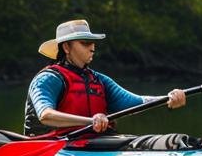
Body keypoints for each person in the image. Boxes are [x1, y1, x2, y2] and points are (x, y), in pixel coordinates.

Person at [24, 19, 187, 139]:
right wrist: (90, 121)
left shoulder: (99, 80)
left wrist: (168, 98)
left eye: (93, 43)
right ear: (66, 47)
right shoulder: (48, 78)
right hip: (56, 146)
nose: (93, 48)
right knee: (169, 141)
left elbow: (136, 101)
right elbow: (45, 115)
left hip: (96, 144)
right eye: (85, 43)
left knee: (178, 141)